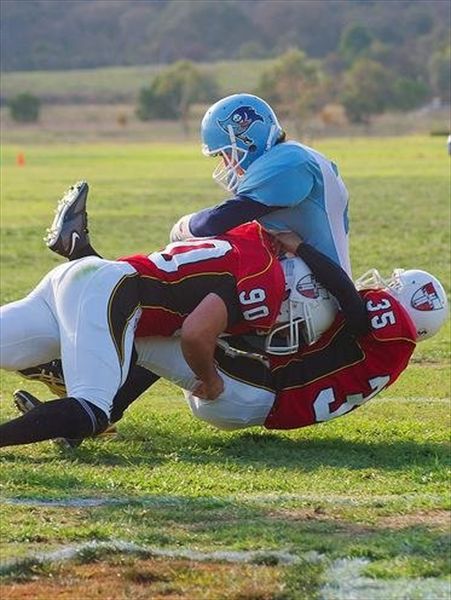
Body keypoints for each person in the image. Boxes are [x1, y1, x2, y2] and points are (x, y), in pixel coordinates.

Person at [7, 233, 448, 440]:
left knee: (176, 334)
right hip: (264, 394)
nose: (381, 289)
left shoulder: (393, 324)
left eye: (393, 288)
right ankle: (80, 398)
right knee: (144, 337)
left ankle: (82, 406)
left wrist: (301, 248)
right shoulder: (391, 351)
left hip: (256, 394)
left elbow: (354, 308)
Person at [0, 216, 295, 448]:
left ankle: (62, 374)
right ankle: (62, 383)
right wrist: (210, 379)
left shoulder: (240, 236)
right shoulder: (263, 273)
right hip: (111, 291)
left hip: (78, 275)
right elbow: (195, 332)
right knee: (91, 411)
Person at [170, 93, 351, 275]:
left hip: (315, 289)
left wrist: (183, 227)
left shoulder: (288, 162)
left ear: (247, 140)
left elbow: (218, 221)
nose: (227, 163)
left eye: (225, 153)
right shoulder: (294, 154)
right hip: (317, 277)